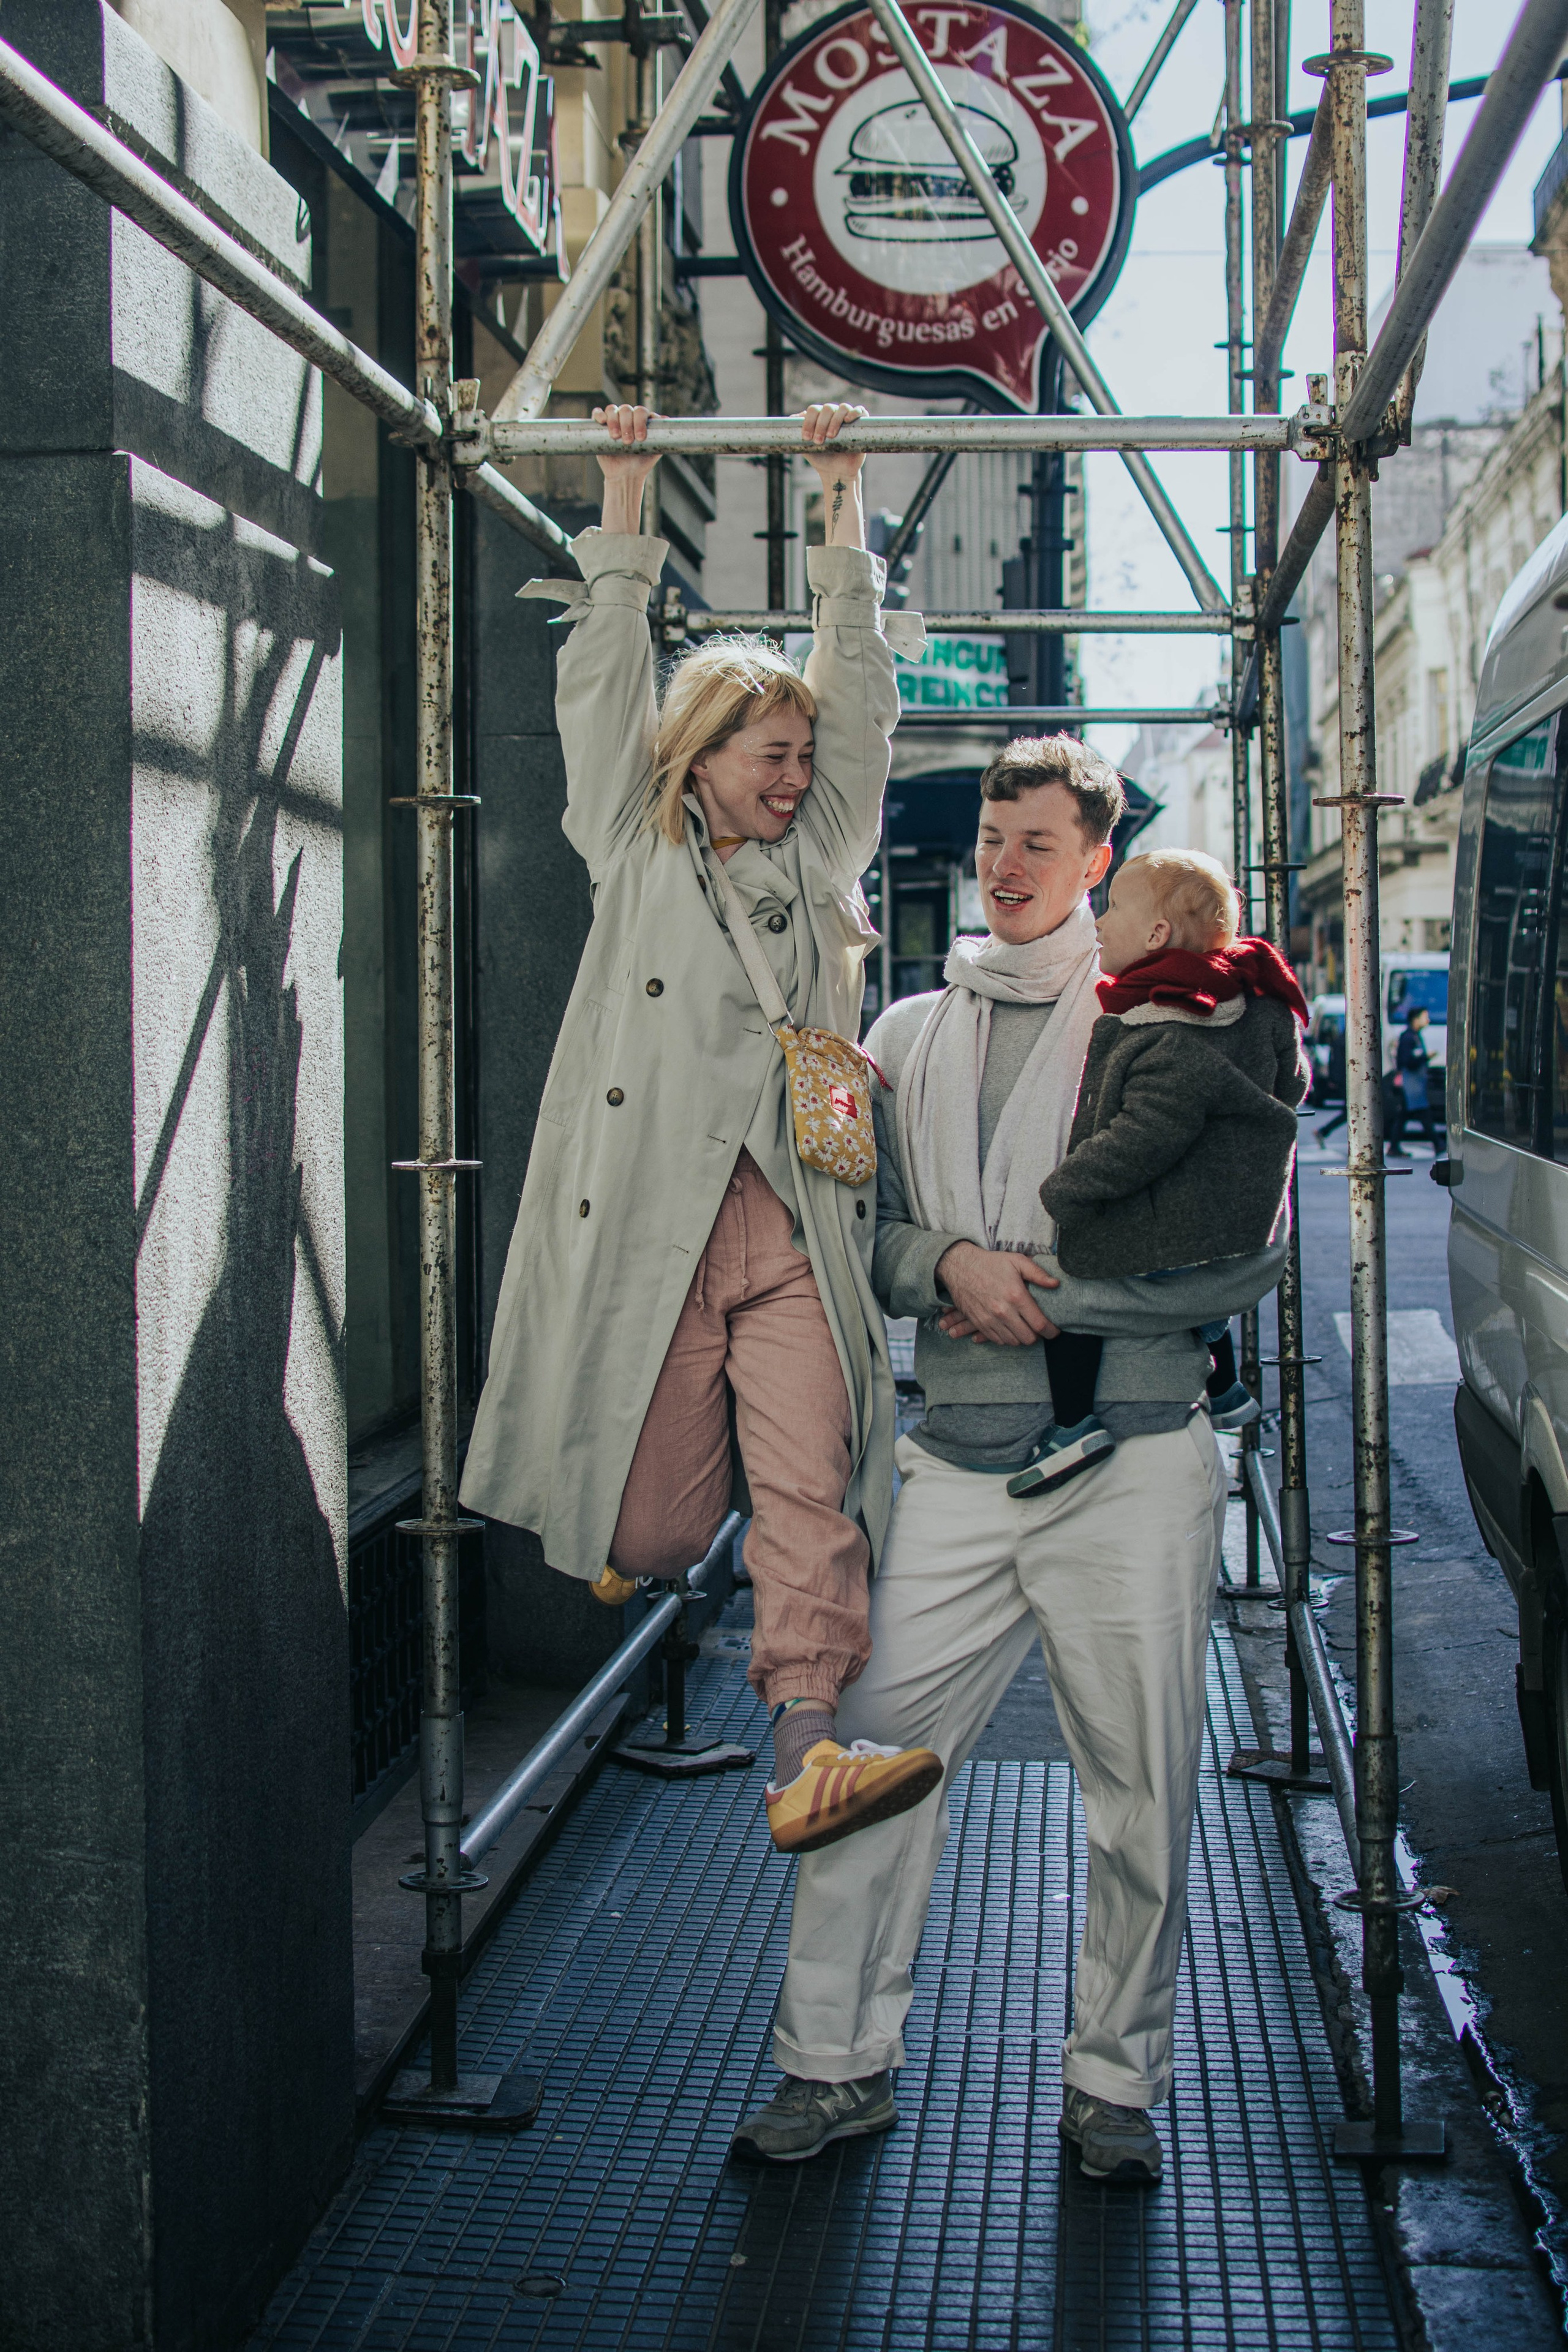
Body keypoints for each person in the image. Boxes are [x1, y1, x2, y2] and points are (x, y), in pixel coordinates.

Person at [731, 735, 1290, 2184]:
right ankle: (827, 2061)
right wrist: (954, 1264)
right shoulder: (900, 1029)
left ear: (1097, 858)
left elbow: (1248, 1251)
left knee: (1140, 1792)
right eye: (992, 838)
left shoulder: (1177, 1017)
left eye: (1038, 842)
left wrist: (1045, 1295)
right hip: (959, 1465)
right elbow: (849, 1223)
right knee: (864, 1761)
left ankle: (1114, 2086)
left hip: (1136, 1450)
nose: (1005, 865)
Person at [459, 401, 940, 1855]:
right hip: (656, 1224)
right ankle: (627, 1532)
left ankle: (808, 1747)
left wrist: (840, 502)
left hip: (793, 1217)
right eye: (765, 754)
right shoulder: (634, 837)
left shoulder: (824, 847)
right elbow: (600, 683)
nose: (792, 774)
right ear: (700, 756)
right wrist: (620, 484)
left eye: (800, 754)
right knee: (662, 1533)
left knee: (813, 1486)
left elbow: (860, 694)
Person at [1008, 849, 1308, 1496]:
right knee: (1201, 1280)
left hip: (1173, 1218)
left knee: (1070, 1290)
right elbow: (1296, 1081)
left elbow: (1144, 1135)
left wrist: (1065, 1189)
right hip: (1231, 1216)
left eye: (1113, 908)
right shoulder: (1255, 1002)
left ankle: (1071, 1426)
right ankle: (1224, 1386)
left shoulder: (1169, 1023)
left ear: (1155, 936)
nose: (1098, 922)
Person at [1388, 1004, 1440, 1155]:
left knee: (1405, 1115)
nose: (1428, 1020)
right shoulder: (1408, 1038)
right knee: (1422, 1113)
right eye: (1425, 1017)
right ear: (1415, 1020)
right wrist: (1425, 1057)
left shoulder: (1415, 1036)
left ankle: (1394, 1146)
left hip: (1414, 1084)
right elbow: (1406, 1061)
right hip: (1410, 1084)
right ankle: (1437, 1143)